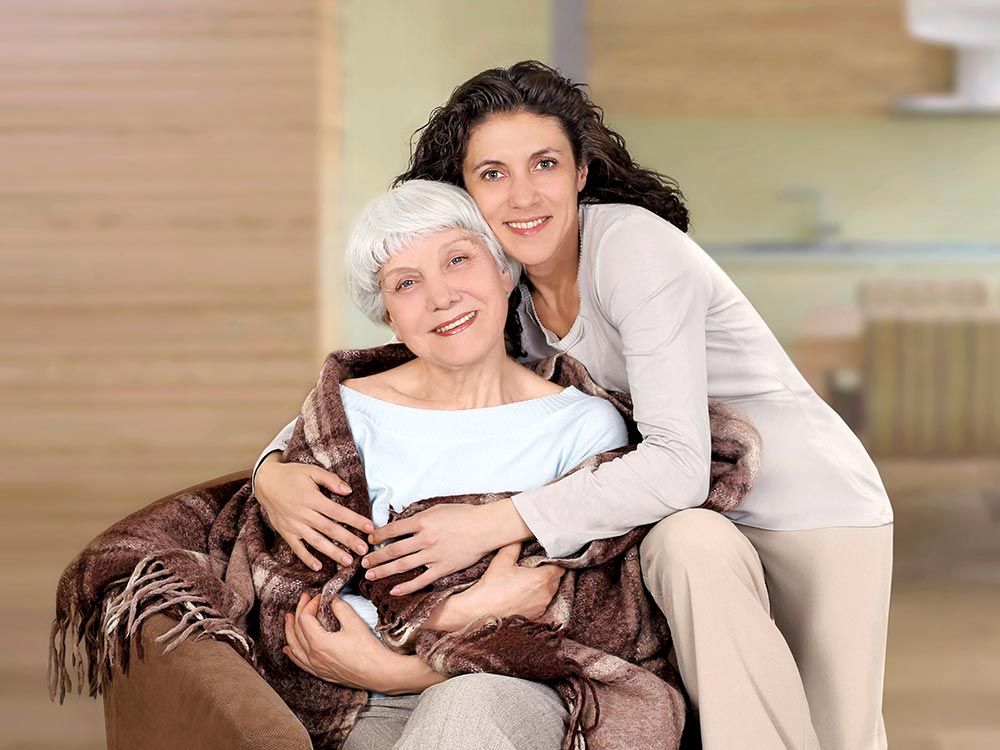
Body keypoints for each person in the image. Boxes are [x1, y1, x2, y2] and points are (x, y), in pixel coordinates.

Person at [257, 62, 893, 750]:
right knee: (689, 556)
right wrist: (270, 469)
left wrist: (481, 527)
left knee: (835, 733)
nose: (523, 194)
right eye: (492, 174)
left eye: (545, 164)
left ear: (580, 173)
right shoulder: (513, 291)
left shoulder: (632, 250)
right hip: (688, 520)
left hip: (803, 509)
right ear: (466, 194)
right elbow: (387, 389)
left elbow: (679, 463)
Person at [279, 178, 629, 750]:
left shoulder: (584, 427)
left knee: (465, 712)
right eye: (406, 282)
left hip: (509, 688)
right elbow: (305, 599)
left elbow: (571, 607)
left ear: (505, 271)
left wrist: (408, 663)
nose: (440, 297)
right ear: (388, 314)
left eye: (458, 260)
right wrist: (466, 610)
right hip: (349, 695)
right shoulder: (348, 410)